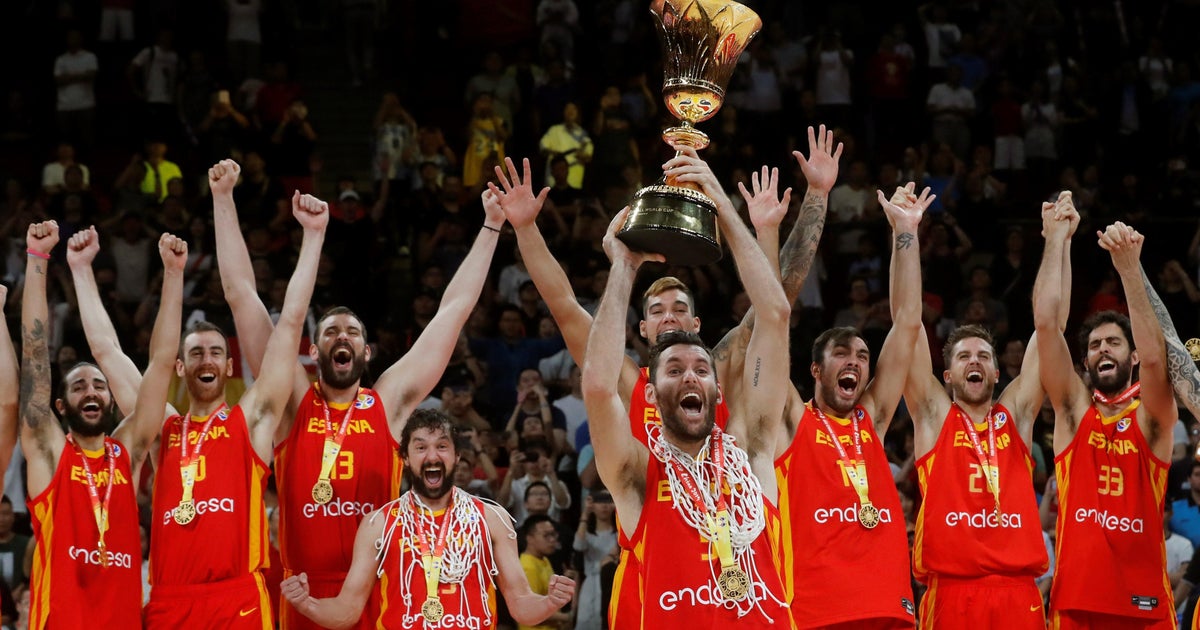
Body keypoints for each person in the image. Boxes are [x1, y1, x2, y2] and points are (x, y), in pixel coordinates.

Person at [210, 158, 504, 629]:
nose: (340, 337)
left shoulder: (387, 403)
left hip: (382, 589)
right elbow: (241, 294)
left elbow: (453, 310)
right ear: (314, 349)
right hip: (301, 592)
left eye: (350, 331)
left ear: (366, 351)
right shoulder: (292, 402)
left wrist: (491, 225)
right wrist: (223, 201)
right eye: (329, 332)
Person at [580, 145, 793, 627]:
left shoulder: (752, 450)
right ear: (651, 396)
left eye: (700, 368)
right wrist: (624, 266)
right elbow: (597, 388)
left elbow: (775, 315)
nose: (691, 375)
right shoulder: (638, 472)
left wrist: (719, 201)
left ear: (717, 390)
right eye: (673, 370)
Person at [141, 192, 328, 628]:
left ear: (229, 365)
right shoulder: (161, 427)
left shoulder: (252, 419)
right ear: (181, 366)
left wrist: (313, 238)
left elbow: (290, 323)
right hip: (169, 599)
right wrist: (173, 276)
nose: (207, 360)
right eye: (196, 353)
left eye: (215, 352)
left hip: (237, 598)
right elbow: (122, 358)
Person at [764, 183, 932, 627]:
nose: (855, 360)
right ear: (816, 371)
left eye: (861, 354)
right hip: (817, 609)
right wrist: (767, 235)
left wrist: (906, 233)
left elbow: (909, 322)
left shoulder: (871, 418)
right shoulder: (793, 420)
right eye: (841, 353)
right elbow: (770, 321)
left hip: (887, 604)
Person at [901, 196, 1073, 628]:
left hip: (1019, 592)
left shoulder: (1016, 414)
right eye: (963, 356)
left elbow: (1050, 328)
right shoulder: (933, 415)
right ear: (946, 375)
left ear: (998, 373)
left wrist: (1057, 240)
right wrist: (903, 234)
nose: (974, 361)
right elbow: (906, 322)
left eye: (982, 355)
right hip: (952, 592)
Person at [280, 409, 575, 629]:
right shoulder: (379, 523)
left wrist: (549, 601)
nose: (432, 456)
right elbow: (347, 610)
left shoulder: (492, 518)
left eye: (442, 446)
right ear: (405, 458)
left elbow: (521, 606)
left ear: (457, 455)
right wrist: (307, 603)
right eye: (421, 447)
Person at [20, 221, 178, 629]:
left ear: (111, 401)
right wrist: (37, 261)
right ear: (60, 405)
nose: (91, 392)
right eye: (78, 387)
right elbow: (35, 355)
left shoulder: (126, 453)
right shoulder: (50, 452)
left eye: (99, 386)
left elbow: (159, 366)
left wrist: (171, 279)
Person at [1035, 204, 1178, 628]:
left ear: (1130, 356)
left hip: (1145, 604)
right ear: (1086, 362)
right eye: (1095, 345)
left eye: (1113, 342)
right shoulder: (1073, 412)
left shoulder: (1150, 420)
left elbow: (1157, 362)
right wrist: (1056, 240)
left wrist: (1129, 269)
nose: (1102, 349)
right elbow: (1046, 325)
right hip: (1078, 601)